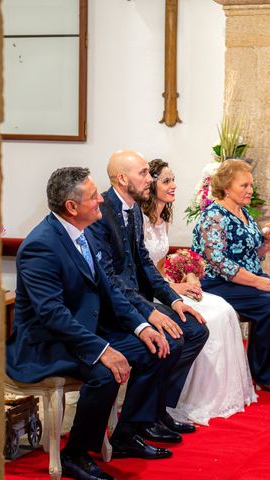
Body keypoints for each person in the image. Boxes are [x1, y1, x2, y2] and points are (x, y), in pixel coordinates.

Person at [6, 167, 179, 480]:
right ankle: (76, 453)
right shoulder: (40, 246)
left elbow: (110, 290)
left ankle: (127, 432)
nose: (102, 198)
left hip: (82, 332)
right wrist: (103, 350)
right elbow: (52, 315)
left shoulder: (80, 233)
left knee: (155, 348)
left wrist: (143, 327)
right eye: (93, 195)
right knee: (105, 372)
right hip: (45, 343)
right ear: (72, 208)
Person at [88, 149, 210, 438]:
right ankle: (136, 423)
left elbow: (143, 262)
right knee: (170, 340)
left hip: (138, 299)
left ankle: (157, 409)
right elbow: (111, 280)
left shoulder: (131, 210)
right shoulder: (102, 214)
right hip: (113, 309)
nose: (149, 179)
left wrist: (174, 299)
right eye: (143, 173)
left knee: (194, 330)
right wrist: (149, 312)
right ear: (121, 178)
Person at [141, 159, 256, 425]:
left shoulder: (162, 220)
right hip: (150, 293)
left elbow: (157, 266)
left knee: (223, 309)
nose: (173, 185)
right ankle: (184, 397)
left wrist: (183, 278)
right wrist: (173, 288)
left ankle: (215, 394)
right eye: (166, 181)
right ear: (151, 185)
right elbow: (141, 272)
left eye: (173, 180)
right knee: (209, 319)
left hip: (163, 286)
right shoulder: (140, 221)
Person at [191, 159, 270, 395]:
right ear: (226, 187)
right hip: (221, 283)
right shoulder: (213, 216)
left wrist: (266, 240)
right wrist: (257, 281)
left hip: (249, 276)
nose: (250, 190)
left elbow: (254, 252)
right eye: (244, 186)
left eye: (250, 185)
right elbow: (219, 262)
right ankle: (266, 375)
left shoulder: (242, 212)